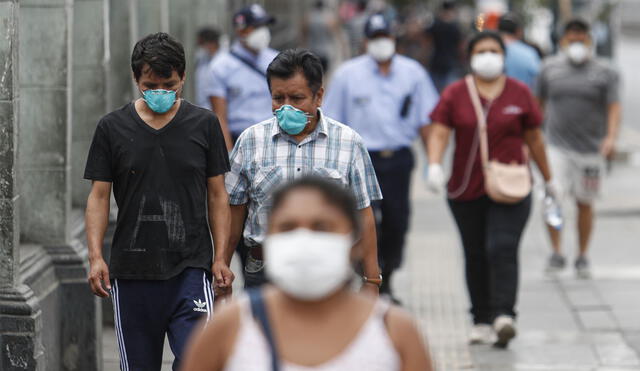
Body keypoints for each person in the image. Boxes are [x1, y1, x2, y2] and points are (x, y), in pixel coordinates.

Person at [83, 32, 232, 370]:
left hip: (191, 268)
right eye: (151, 85)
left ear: (183, 78)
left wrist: (221, 257)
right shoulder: (112, 128)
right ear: (136, 79)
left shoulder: (204, 125)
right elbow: (99, 196)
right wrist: (95, 257)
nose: (160, 93)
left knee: (198, 361)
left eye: (170, 84)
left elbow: (218, 194)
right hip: (132, 272)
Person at [182, 176, 433, 371]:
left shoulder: (394, 332)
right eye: (287, 227)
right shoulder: (229, 327)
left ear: (355, 241)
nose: (304, 240)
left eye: (322, 227)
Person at [426, 31, 553, 348]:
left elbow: (534, 139)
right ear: (469, 57)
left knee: (502, 246)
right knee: (475, 252)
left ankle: (504, 315)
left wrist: (550, 179)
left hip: (512, 186)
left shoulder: (519, 93)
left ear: (503, 56)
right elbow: (440, 132)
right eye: (481, 50)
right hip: (466, 189)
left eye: (494, 50)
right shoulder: (456, 93)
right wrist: (434, 164)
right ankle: (480, 319)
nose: (488, 56)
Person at [222, 49, 383, 296]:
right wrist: (221, 264)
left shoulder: (349, 143)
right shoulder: (250, 141)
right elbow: (233, 212)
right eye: (278, 98)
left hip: (331, 272)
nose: (286, 107)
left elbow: (364, 216)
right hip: (265, 272)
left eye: (297, 98)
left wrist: (371, 280)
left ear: (318, 96)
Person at [324, 13, 438, 303]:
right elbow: (333, 121)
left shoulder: (413, 74)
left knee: (397, 221)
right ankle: (365, 276)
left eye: (385, 37)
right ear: (365, 41)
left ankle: (387, 278)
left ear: (393, 39)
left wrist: (433, 162)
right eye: (374, 38)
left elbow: (427, 121)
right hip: (361, 160)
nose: (380, 43)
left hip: (398, 159)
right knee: (362, 220)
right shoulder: (348, 75)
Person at [536, 19, 621, 278]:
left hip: (591, 149)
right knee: (552, 198)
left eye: (581, 39)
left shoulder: (605, 71)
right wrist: (533, 138)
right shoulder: (549, 68)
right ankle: (556, 251)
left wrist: (611, 137)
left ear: (589, 40)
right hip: (556, 146)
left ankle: (582, 255)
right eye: (571, 39)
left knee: (585, 202)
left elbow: (614, 106)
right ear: (562, 41)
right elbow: (537, 104)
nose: (576, 44)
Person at [204, 4, 278, 149]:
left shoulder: (277, 60)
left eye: (265, 26)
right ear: (241, 30)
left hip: (274, 139)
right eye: (256, 27)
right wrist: (229, 158)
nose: (263, 32)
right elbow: (220, 118)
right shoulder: (220, 67)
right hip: (240, 142)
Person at [425, 0, 463, 92]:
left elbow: (426, 42)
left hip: (436, 62)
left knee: (435, 93)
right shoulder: (455, 27)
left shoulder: (435, 24)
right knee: (450, 93)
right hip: (450, 63)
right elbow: (460, 45)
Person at [498, 13, 541, 90]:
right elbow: (538, 80)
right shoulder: (529, 53)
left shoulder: (490, 51)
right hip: (522, 99)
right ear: (519, 31)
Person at [194, 27, 221, 109]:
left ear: (211, 43)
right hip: (202, 108)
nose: (200, 48)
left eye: (201, 44)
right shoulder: (201, 60)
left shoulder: (223, 63)